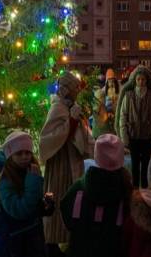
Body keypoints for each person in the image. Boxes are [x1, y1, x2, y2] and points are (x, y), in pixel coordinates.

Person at [39, 72, 94, 255]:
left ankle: (69, 235)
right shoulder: (58, 109)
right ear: (66, 90)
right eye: (75, 88)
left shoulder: (71, 106)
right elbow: (50, 139)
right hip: (59, 163)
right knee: (56, 198)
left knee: (71, 199)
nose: (78, 91)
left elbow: (81, 134)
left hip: (72, 162)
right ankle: (53, 240)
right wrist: (70, 120)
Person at [60, 134, 132, 257]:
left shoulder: (78, 188)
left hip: (80, 249)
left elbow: (65, 209)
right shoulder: (127, 192)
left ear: (96, 155)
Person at [0, 131, 49, 257]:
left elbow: (34, 203)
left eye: (28, 152)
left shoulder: (30, 172)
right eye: (19, 153)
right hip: (15, 242)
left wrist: (45, 207)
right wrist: (33, 182)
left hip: (33, 237)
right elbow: (19, 211)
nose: (25, 156)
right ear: (10, 156)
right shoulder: (6, 182)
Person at [117, 65, 151, 188]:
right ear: (135, 80)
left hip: (147, 137)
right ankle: (134, 190)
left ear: (147, 80)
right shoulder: (128, 95)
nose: (141, 82)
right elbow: (123, 116)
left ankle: (144, 189)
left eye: (143, 79)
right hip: (133, 136)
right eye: (138, 79)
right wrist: (124, 136)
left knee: (145, 165)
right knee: (134, 165)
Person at [92, 69, 120, 138]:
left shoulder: (119, 90)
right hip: (106, 119)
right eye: (109, 81)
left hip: (115, 116)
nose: (111, 83)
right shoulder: (102, 92)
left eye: (112, 80)